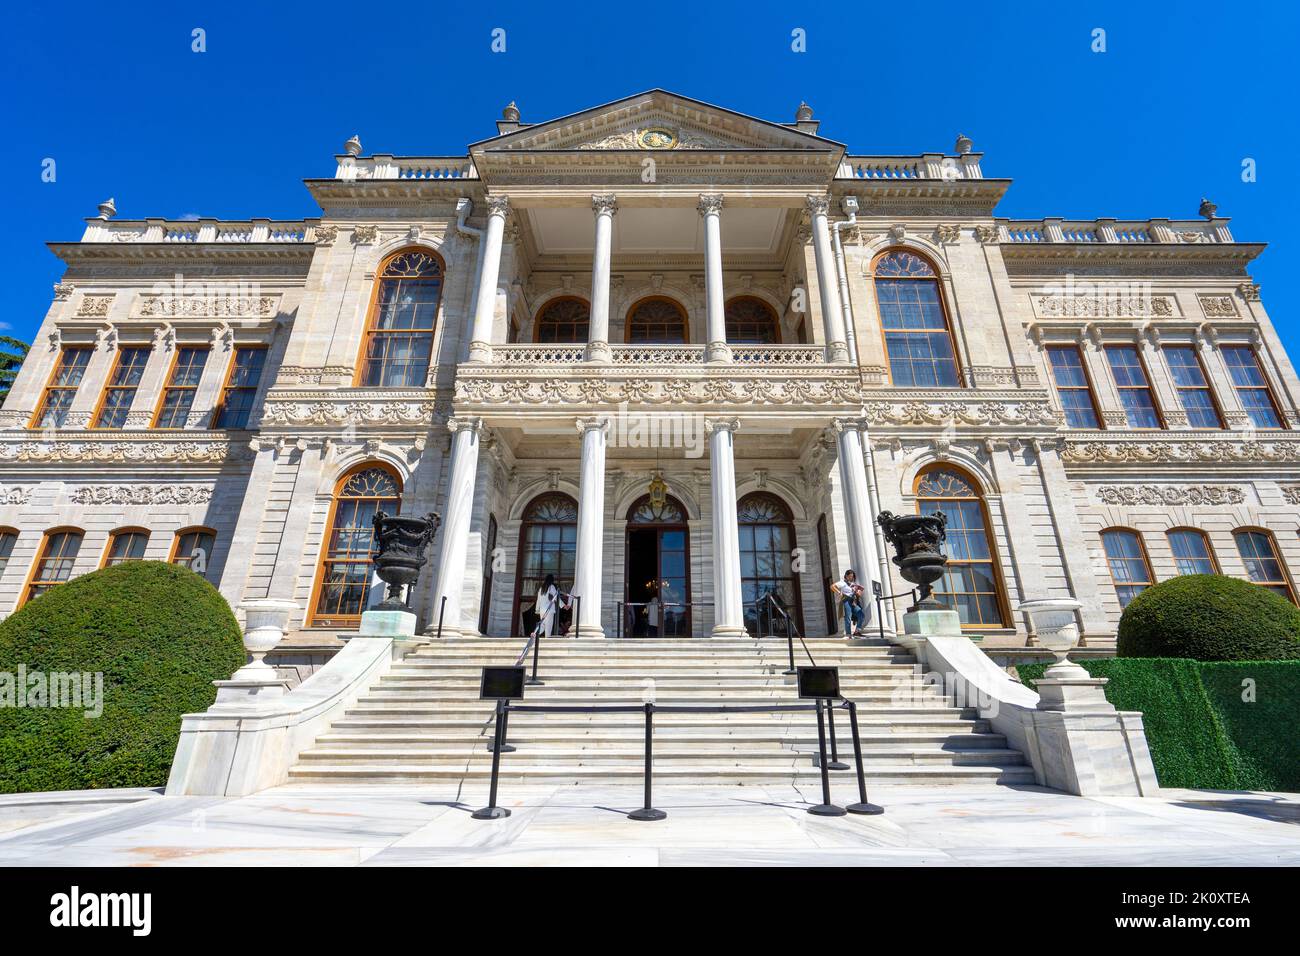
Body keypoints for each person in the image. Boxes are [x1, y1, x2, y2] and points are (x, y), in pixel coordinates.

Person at [830, 569, 867, 637]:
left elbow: (857, 593)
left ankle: (857, 631)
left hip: (853, 601)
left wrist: (858, 592)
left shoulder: (853, 584)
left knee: (861, 615)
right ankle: (848, 634)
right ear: (846, 576)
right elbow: (832, 586)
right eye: (849, 576)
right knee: (848, 617)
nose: (851, 578)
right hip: (846, 600)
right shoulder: (842, 583)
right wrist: (839, 592)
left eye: (852, 576)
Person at [533, 574, 569, 639]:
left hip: (542, 610)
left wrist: (537, 609)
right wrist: (563, 605)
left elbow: (538, 600)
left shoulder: (541, 588)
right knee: (548, 626)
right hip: (549, 610)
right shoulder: (551, 586)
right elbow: (556, 597)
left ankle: (534, 634)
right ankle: (546, 640)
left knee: (543, 625)